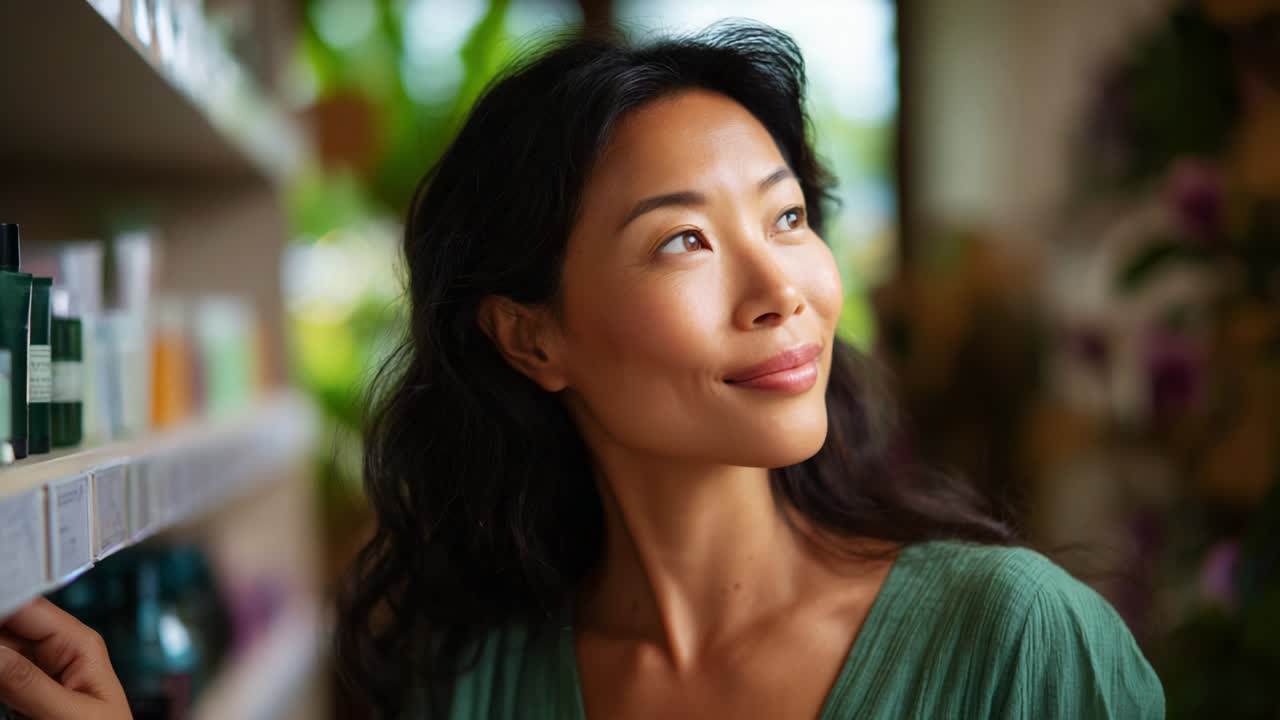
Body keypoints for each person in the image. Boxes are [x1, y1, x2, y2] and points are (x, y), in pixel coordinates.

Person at [0, 22, 1164, 720]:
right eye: (684, 241)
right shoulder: (472, 680)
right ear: (529, 337)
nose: (781, 290)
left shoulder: (1017, 644)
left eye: (790, 217)